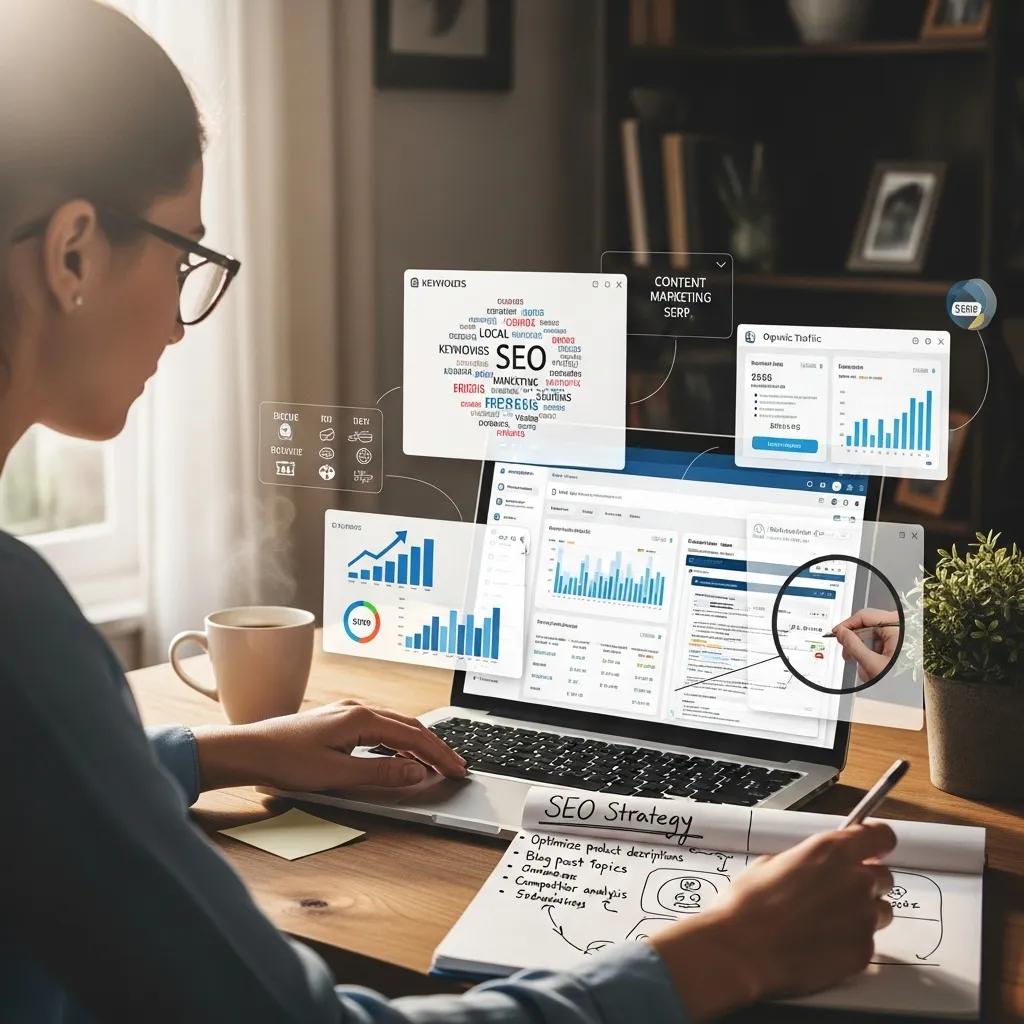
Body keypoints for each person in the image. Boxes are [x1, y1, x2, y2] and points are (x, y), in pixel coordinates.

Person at [0, 2, 897, 1021]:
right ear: (72, 253)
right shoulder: (14, 630)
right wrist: (723, 952)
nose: (181, 316)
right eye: (184, 258)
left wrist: (227, 750)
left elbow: (40, 790)